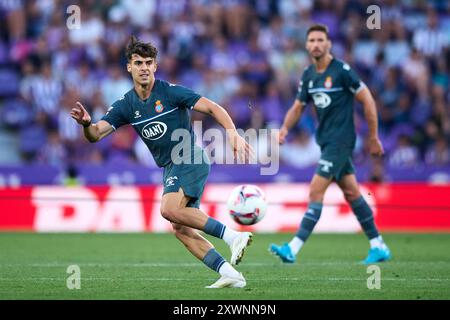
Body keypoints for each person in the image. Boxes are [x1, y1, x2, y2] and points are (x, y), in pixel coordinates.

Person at [70, 36, 254, 288]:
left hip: (188, 156)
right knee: (180, 227)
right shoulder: (126, 104)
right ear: (129, 67)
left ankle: (233, 237)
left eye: (148, 62)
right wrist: (86, 124)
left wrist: (232, 133)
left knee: (168, 209)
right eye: (138, 62)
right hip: (170, 166)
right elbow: (96, 135)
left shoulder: (170, 92)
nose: (144, 67)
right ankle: (229, 274)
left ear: (155, 66)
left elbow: (212, 107)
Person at [269, 24, 391, 264]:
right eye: (311, 40)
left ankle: (293, 248)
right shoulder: (308, 75)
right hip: (326, 142)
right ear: (307, 45)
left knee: (315, 190)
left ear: (328, 44)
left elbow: (367, 100)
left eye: (320, 40)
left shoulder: (342, 71)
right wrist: (284, 129)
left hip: (341, 141)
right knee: (352, 193)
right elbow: (297, 107)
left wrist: (373, 136)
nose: (315, 44)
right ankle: (379, 245)